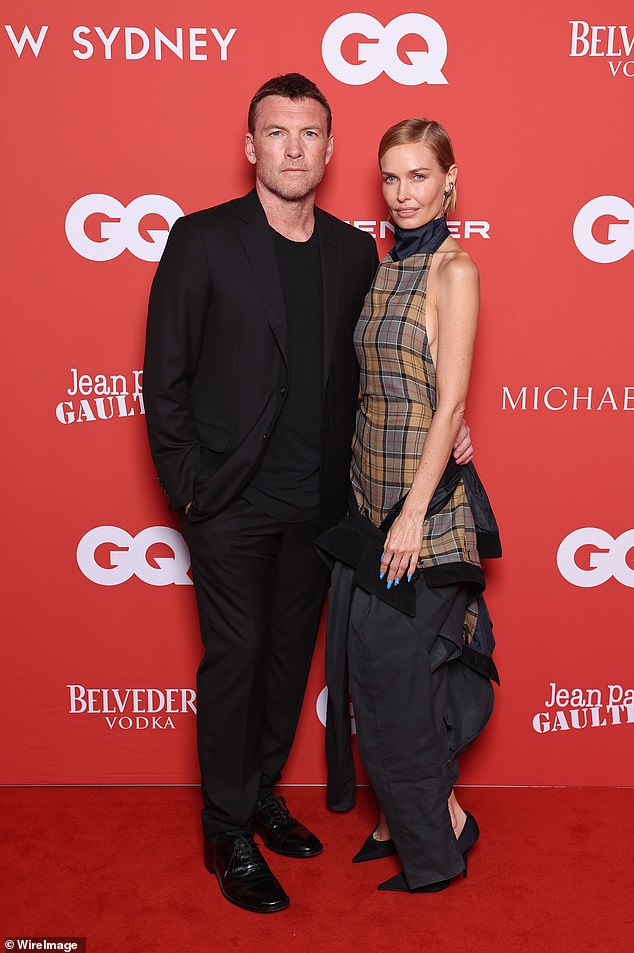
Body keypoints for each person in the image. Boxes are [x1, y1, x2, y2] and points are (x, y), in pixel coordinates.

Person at [143, 78, 473, 914]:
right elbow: (166, 376)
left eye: (310, 133)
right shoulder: (202, 239)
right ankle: (226, 829)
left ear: (330, 149)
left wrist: (452, 423)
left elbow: (382, 377)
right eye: (277, 132)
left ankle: (258, 796)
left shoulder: (350, 251)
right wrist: (191, 490)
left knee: (289, 665)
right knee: (237, 659)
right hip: (231, 504)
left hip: (325, 508)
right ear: (250, 145)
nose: (293, 148)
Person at [317, 118, 501, 894]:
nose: (403, 194)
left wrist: (413, 514)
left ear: (450, 179)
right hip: (369, 500)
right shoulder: (386, 265)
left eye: (419, 177)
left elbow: (451, 401)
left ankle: (436, 842)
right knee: (377, 674)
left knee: (401, 673)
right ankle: (423, 813)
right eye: (390, 179)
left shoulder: (454, 269)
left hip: (417, 513)